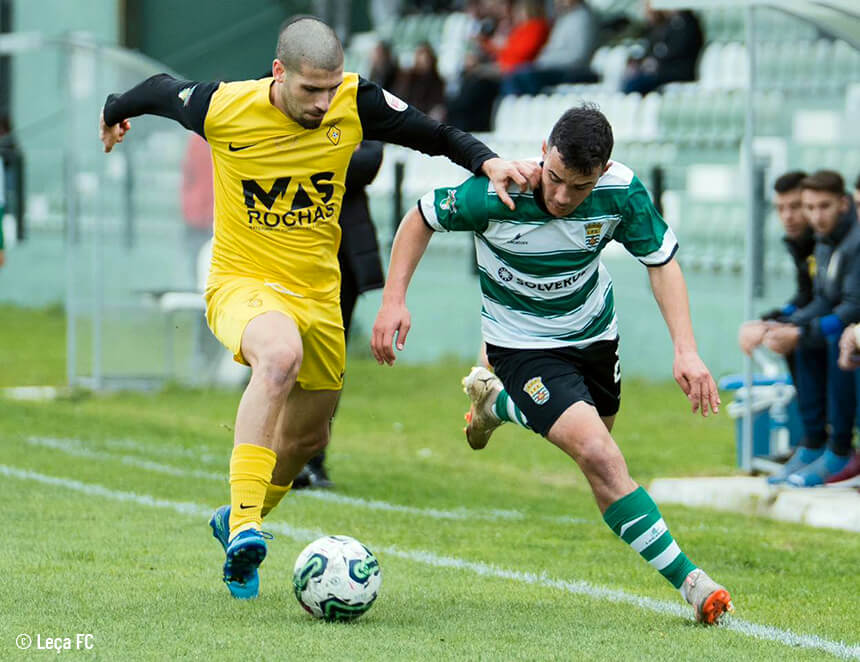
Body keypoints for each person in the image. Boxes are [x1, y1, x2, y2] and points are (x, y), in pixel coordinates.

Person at [99, 15, 538, 600]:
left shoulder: (355, 100)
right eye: (311, 90)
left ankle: (235, 519)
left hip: (318, 295)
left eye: (331, 88)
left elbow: (433, 133)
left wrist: (487, 161)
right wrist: (113, 110)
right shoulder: (223, 107)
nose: (323, 102)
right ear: (279, 73)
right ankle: (249, 526)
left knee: (308, 438)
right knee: (278, 357)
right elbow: (155, 89)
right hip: (243, 283)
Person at [371, 104, 733, 625]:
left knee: (599, 453)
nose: (563, 197)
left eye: (579, 187)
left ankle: (498, 406)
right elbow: (421, 218)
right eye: (557, 179)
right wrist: (393, 300)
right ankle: (694, 584)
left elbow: (662, 262)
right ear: (544, 152)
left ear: (602, 174)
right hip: (521, 346)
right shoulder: (499, 192)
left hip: (594, 337)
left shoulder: (620, 192)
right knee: (601, 456)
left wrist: (686, 348)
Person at [293, 140, 386, 489]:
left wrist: (304, 155)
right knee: (285, 354)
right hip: (289, 253)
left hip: (341, 259)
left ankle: (313, 459)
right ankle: (272, 453)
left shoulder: (354, 101)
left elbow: (369, 161)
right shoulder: (274, 93)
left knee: (329, 362)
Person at [763, 170, 860, 486]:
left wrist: (802, 330)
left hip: (850, 333)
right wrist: (787, 325)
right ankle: (814, 443)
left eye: (824, 206)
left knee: (831, 338)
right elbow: (819, 299)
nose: (815, 216)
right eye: (811, 207)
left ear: (843, 204)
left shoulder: (853, 242)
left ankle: (840, 449)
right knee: (800, 338)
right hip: (845, 328)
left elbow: (851, 307)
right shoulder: (823, 242)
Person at [737, 171, 814, 382]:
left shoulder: (827, 244)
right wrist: (768, 321)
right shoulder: (800, 244)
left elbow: (825, 300)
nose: (787, 216)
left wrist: (779, 324)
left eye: (795, 206)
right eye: (780, 208)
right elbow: (805, 295)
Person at [501, 0, 599, 96]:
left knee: (524, 77)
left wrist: (544, 62)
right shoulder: (565, 17)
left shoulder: (583, 17)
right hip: (557, 68)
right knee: (516, 74)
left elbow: (577, 56)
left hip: (574, 71)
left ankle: (527, 106)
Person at [621, 2, 703, 95]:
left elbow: (676, 51)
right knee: (631, 79)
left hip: (677, 72)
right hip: (663, 70)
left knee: (635, 84)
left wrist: (657, 63)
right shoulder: (671, 23)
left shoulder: (687, 23)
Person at [394, 42, 447, 122]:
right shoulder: (408, 77)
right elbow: (400, 97)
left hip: (427, 120)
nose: (423, 61)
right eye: (421, 56)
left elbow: (438, 104)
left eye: (426, 59)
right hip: (408, 117)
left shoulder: (437, 81)